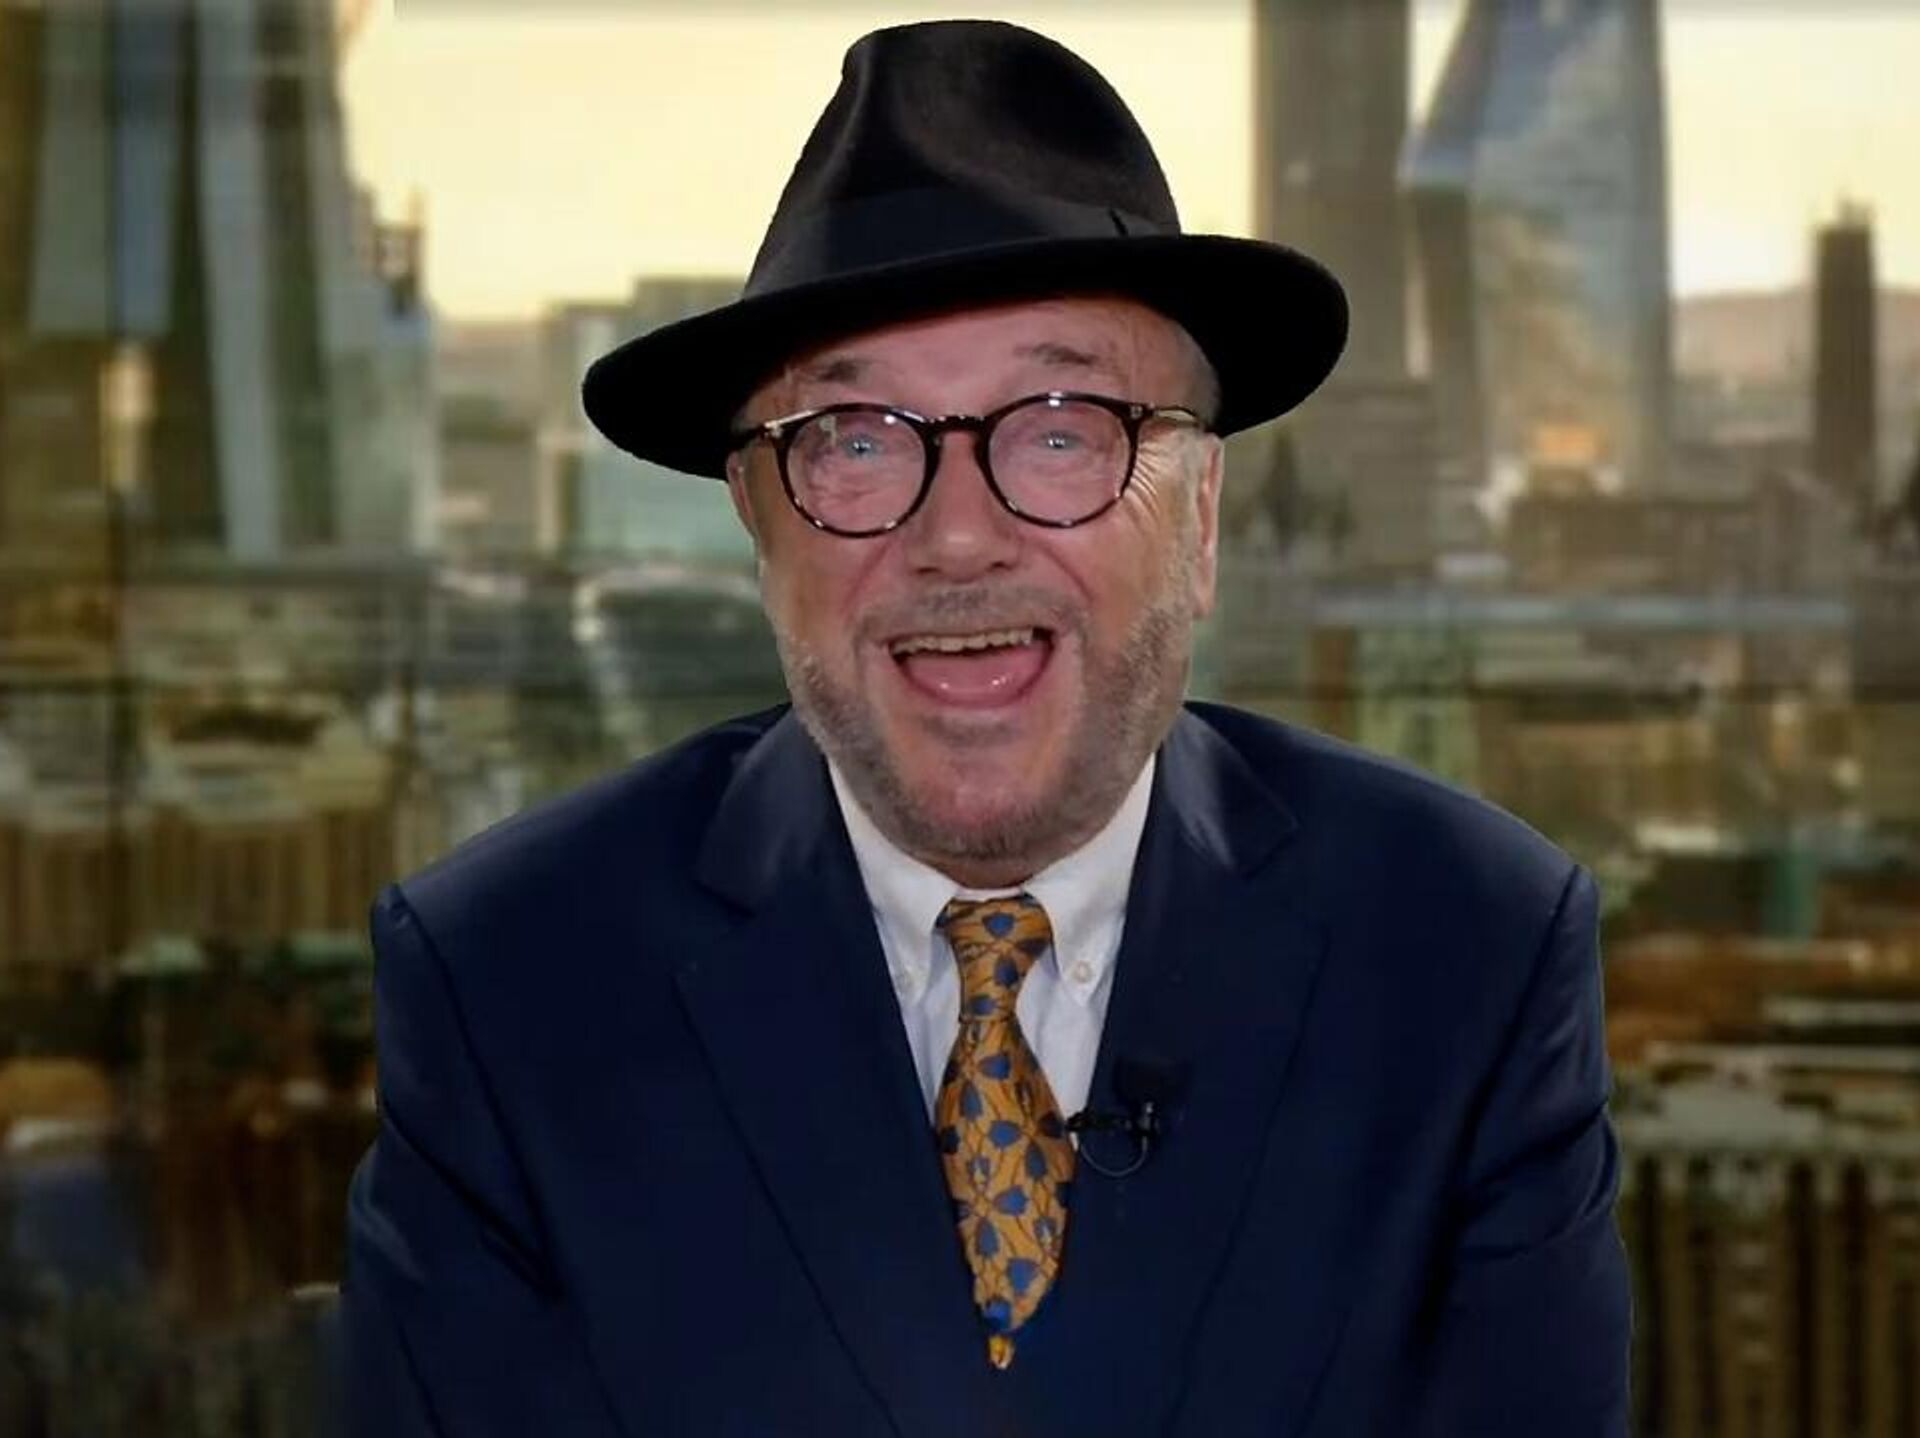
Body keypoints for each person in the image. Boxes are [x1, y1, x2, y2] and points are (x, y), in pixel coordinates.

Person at [340, 19, 1631, 1437]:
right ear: (760, 528)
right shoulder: (507, 981)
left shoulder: (1471, 953)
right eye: (855, 441)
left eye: (1061, 427)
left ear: (1201, 517)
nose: (958, 535)